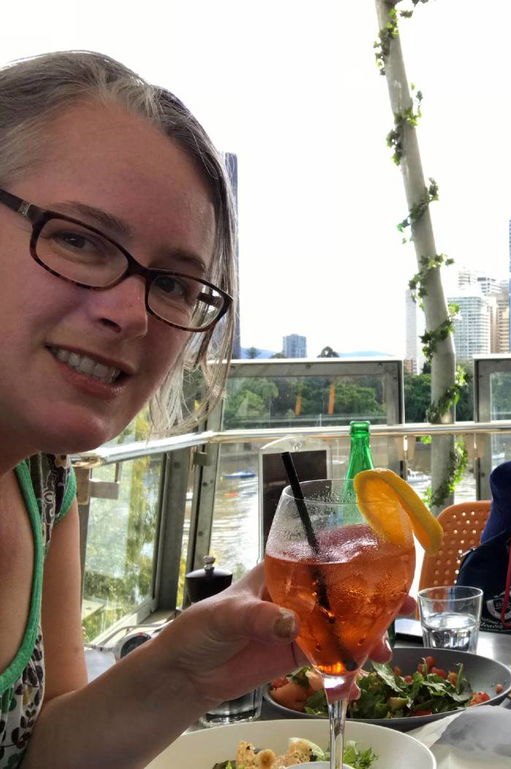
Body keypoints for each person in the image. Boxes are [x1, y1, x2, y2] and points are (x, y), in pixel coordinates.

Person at [0, 51, 406, 769]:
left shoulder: (43, 481)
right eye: (78, 239)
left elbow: (41, 755)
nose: (132, 313)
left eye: (177, 285)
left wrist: (186, 666)